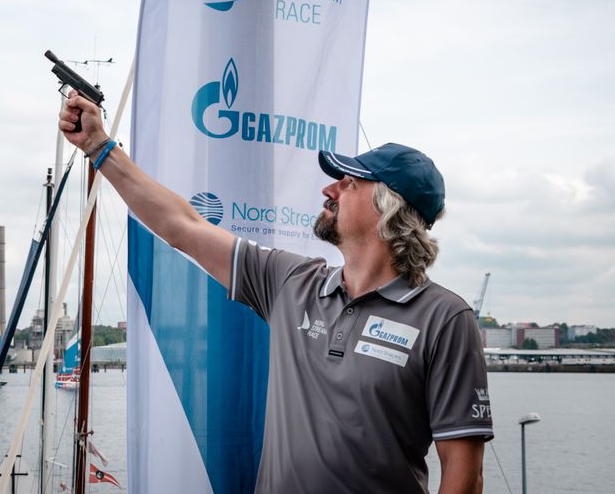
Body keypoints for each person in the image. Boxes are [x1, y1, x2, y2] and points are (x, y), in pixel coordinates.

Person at [59, 91, 493, 494]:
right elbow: (183, 227)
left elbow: (464, 472)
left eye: (348, 182)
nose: (329, 188)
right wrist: (100, 148)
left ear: (387, 205)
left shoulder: (444, 318)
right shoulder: (291, 282)